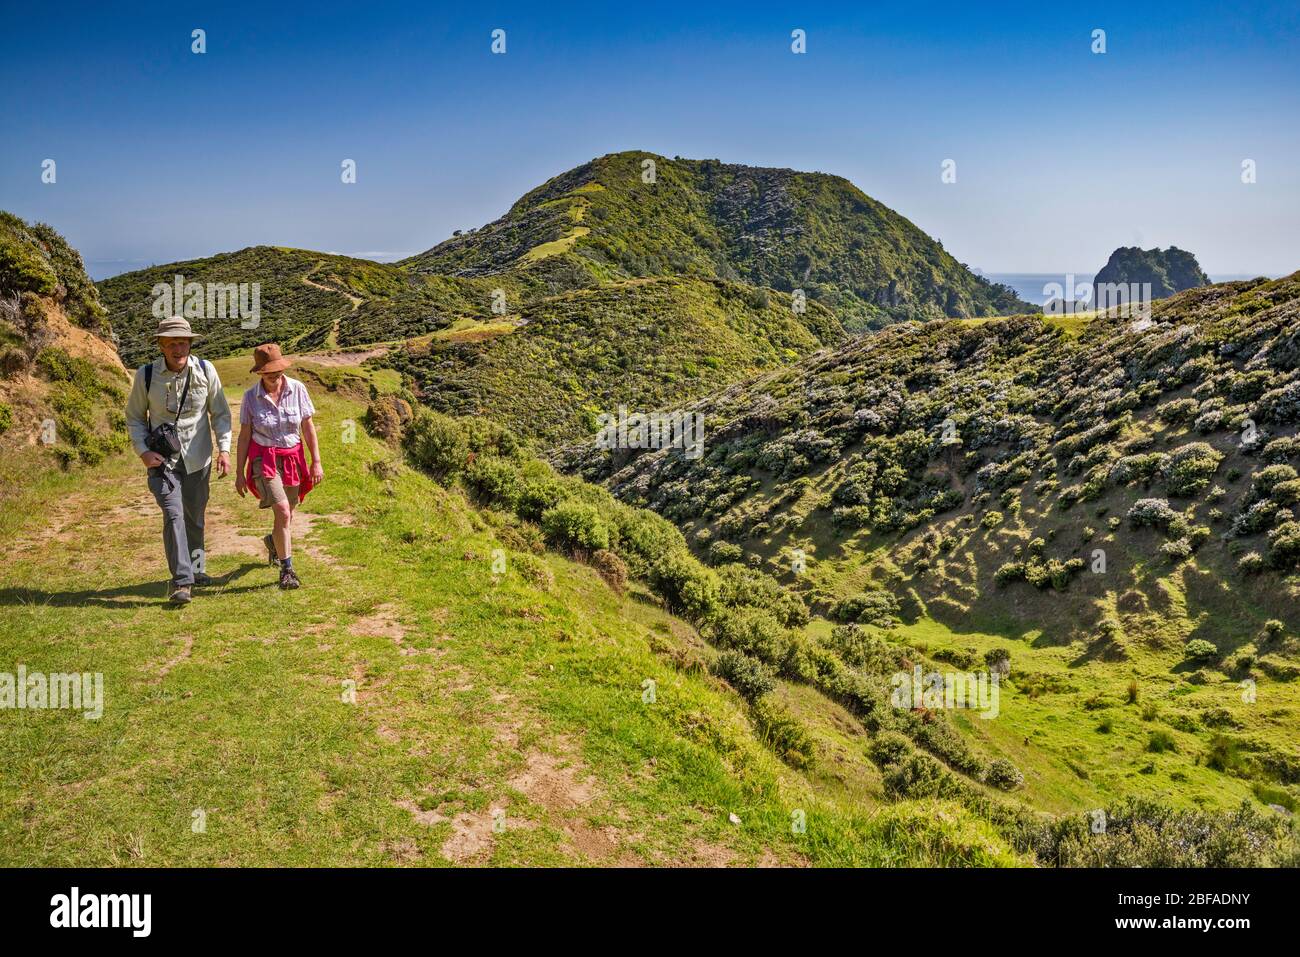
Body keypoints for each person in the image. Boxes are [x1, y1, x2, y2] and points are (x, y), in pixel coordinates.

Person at [124, 317, 232, 604]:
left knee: (194, 518)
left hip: (199, 458)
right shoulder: (145, 376)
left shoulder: (207, 371)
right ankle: (182, 581)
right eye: (171, 342)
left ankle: (197, 570)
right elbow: (134, 417)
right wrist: (143, 451)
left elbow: (220, 414)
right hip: (162, 462)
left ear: (190, 343)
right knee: (174, 515)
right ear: (160, 345)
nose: (178, 347)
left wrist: (225, 450)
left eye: (183, 341)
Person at [234, 343, 324, 589]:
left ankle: (274, 543)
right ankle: (287, 571)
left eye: (278, 370)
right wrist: (240, 472)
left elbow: (307, 427)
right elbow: (244, 436)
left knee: (288, 515)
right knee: (283, 511)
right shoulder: (250, 398)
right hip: (265, 459)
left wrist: (316, 461)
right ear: (259, 372)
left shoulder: (297, 389)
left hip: (293, 456)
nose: (275, 375)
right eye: (269, 372)